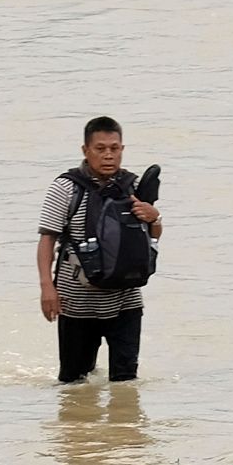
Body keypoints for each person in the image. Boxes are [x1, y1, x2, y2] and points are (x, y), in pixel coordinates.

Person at [37, 118, 162, 383]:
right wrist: (47, 287)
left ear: (122, 149)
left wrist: (154, 217)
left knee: (126, 384)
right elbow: (47, 239)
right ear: (85, 150)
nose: (108, 155)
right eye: (100, 148)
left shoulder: (133, 186)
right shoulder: (65, 188)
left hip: (126, 300)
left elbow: (152, 238)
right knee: (73, 384)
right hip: (77, 304)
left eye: (114, 149)